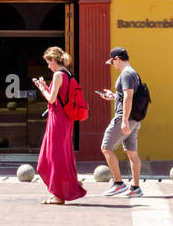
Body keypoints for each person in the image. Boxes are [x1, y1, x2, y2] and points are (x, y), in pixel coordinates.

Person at [32, 47, 87, 205]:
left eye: (49, 62)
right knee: (62, 155)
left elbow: (51, 99)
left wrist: (42, 88)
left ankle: (59, 194)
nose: (48, 66)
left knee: (53, 157)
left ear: (55, 60)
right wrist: (47, 87)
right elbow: (60, 98)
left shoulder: (57, 75)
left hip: (57, 120)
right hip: (65, 119)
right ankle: (63, 189)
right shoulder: (68, 74)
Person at [97, 47, 143, 198]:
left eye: (112, 63)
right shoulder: (133, 73)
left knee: (106, 148)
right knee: (132, 152)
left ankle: (118, 184)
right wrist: (114, 96)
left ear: (116, 59)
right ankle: (135, 188)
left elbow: (129, 97)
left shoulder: (126, 74)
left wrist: (124, 121)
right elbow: (126, 96)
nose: (113, 66)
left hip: (125, 118)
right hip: (135, 119)